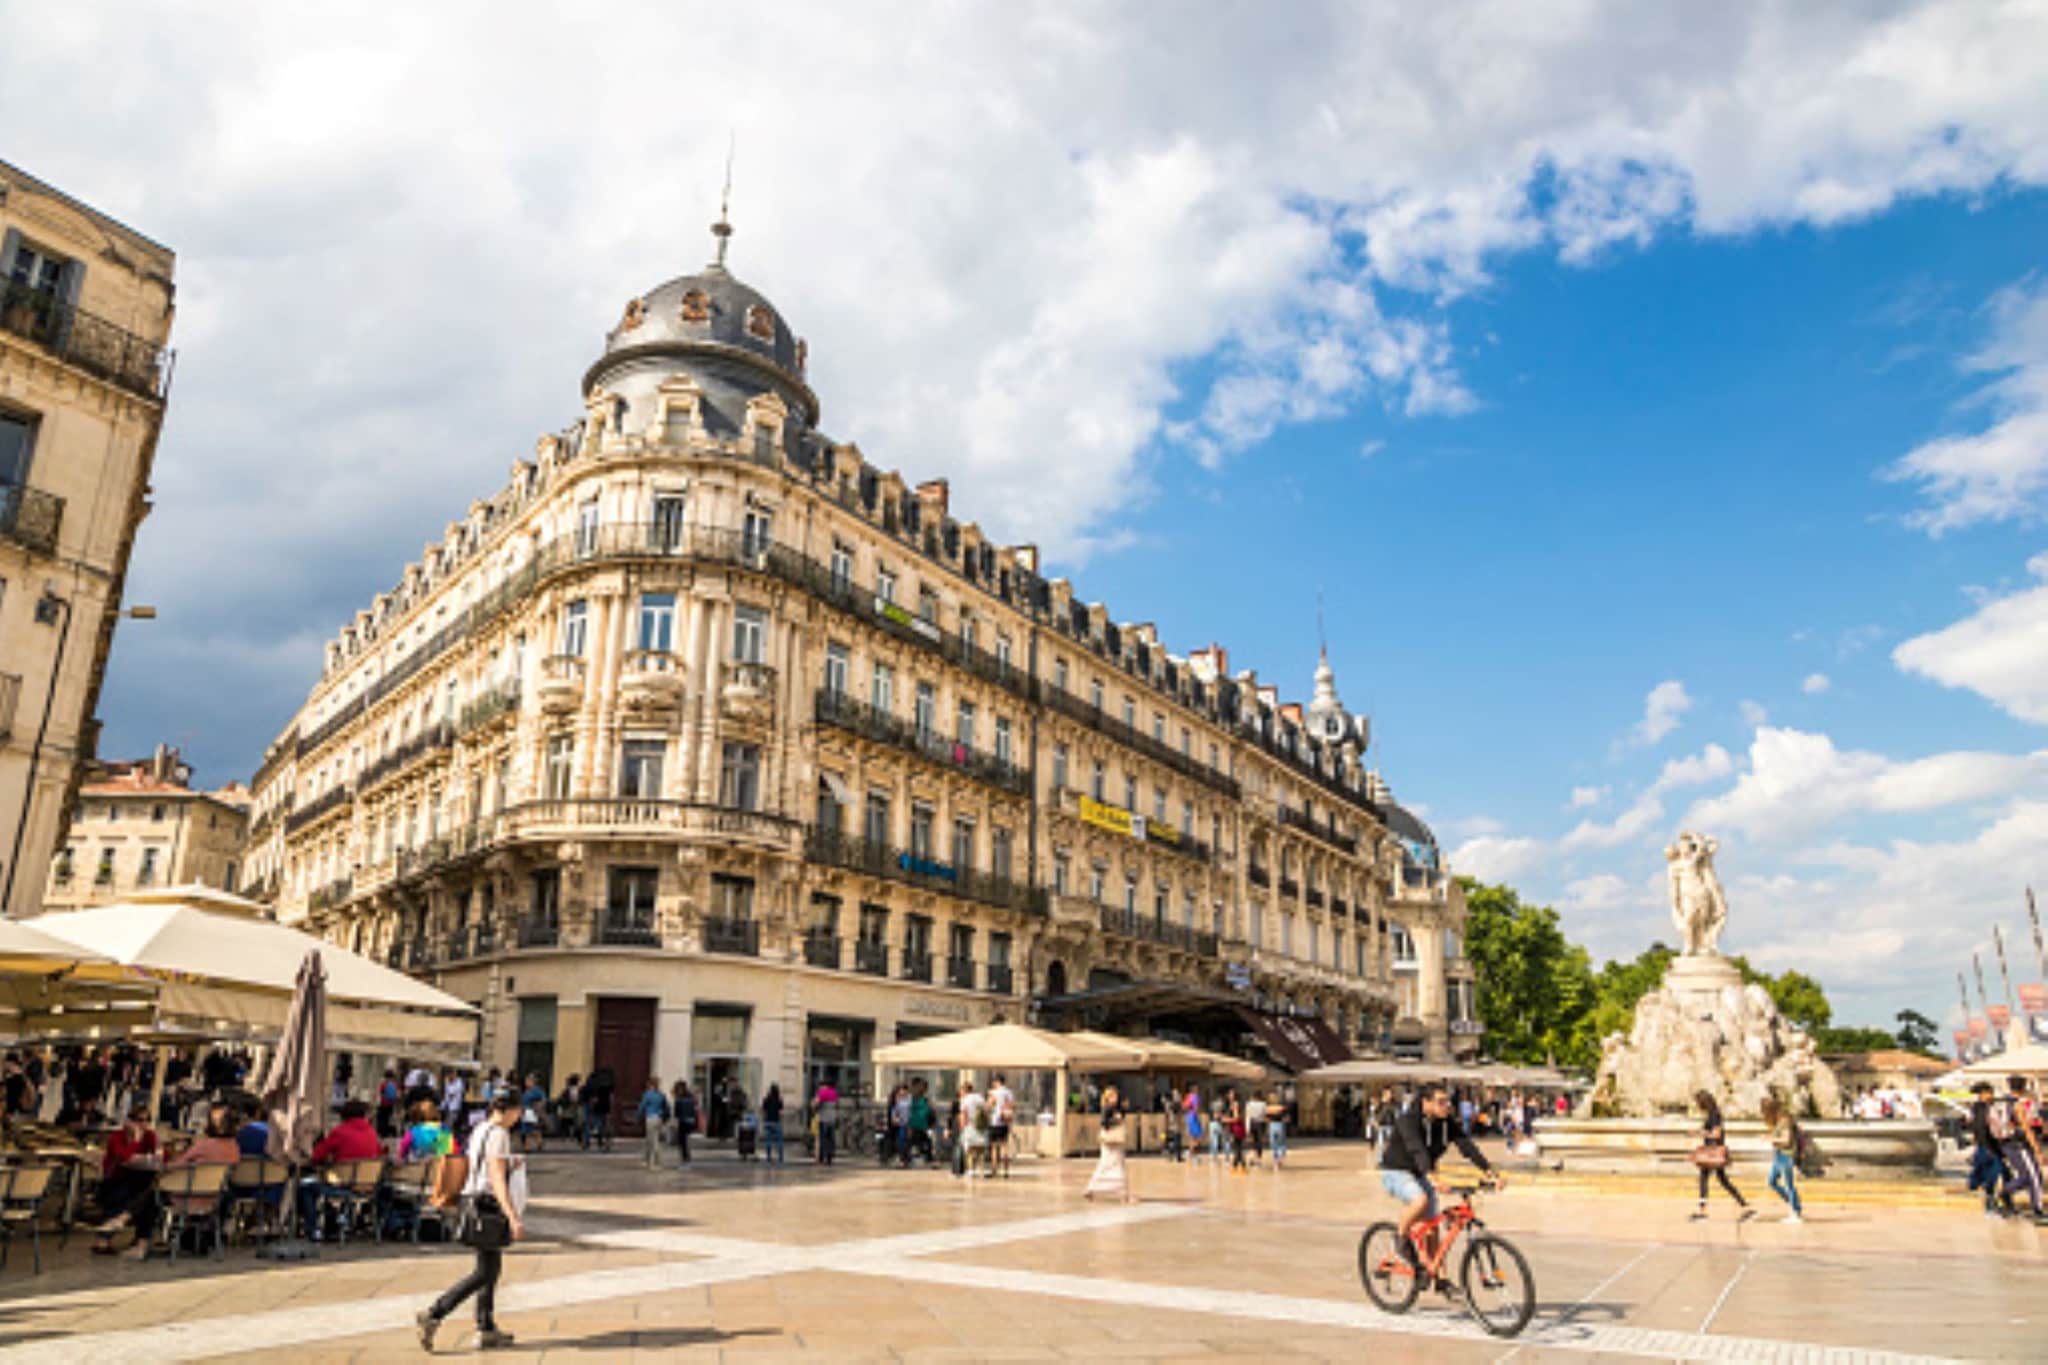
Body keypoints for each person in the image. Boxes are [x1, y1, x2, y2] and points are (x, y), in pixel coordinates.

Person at [418, 1091, 526, 1352]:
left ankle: (486, 1327)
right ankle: (435, 1313)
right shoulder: (499, 1135)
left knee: (490, 1266)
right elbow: (497, 1179)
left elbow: (479, 1165)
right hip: (487, 1206)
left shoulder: (481, 1129)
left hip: (472, 1200)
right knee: (485, 1272)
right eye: (518, 1111)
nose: (519, 1117)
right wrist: (512, 1216)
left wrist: (509, 1163)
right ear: (511, 1110)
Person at [1379, 1081, 1502, 1292]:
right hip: (1396, 1171)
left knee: (1432, 1225)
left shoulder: (1446, 1123)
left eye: (1448, 1101)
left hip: (1420, 1172)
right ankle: (1400, 1240)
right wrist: (1433, 1177)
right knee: (1421, 1201)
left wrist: (1489, 1171)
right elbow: (1417, 1149)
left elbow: (1466, 1145)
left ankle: (1441, 1279)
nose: (1447, 1106)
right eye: (1441, 1102)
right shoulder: (1409, 1120)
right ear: (1426, 1102)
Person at [299, 1099, 386, 1240]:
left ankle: (312, 1228)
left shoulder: (339, 1132)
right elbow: (379, 1153)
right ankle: (340, 1222)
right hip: (367, 1185)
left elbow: (317, 1156)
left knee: (306, 1187)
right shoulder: (372, 1133)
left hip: (343, 1184)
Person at [91, 1105, 162, 1255]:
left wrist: (156, 1150)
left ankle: (138, 1238)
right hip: (115, 1178)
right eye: (139, 1120)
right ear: (129, 1121)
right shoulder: (117, 1137)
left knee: (150, 1194)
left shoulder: (150, 1136)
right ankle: (112, 1237)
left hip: (140, 1178)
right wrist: (135, 1141)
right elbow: (122, 1158)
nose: (143, 1124)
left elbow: (160, 1156)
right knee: (137, 1193)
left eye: (146, 1120)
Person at [1691, 1090, 1753, 1223]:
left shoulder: (1714, 1116)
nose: (1697, 1106)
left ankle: (1703, 1213)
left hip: (1713, 1153)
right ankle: (1745, 1207)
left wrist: (1701, 1133)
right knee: (1719, 1181)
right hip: (1712, 1152)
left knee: (1709, 1180)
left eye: (1698, 1103)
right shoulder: (1713, 1115)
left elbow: (1717, 1134)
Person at [1996, 1075, 2047, 1221]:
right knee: (2034, 1177)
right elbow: (2026, 1128)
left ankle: (2007, 1195)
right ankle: (2037, 1210)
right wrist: (2038, 1150)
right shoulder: (2018, 1105)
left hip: (2007, 1144)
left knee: (2030, 1176)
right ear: (2023, 1088)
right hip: (2019, 1145)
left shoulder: (2004, 1102)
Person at [1967, 1081, 2014, 1215]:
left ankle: (2001, 1203)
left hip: (1988, 1146)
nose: (1992, 1095)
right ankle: (1996, 1204)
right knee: (1994, 1175)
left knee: (2000, 1174)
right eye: (1990, 1093)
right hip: (1988, 1147)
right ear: (1983, 1094)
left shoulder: (1981, 1107)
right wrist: (1989, 1147)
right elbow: (1981, 1128)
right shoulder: (1982, 1108)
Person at [1084, 1083, 1134, 1204]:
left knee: (1114, 1165)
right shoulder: (1107, 1108)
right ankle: (1120, 1193)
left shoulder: (1116, 1108)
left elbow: (1123, 1112)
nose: (1115, 1098)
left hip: (1115, 1142)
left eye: (1116, 1095)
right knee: (1107, 1165)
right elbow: (1104, 1123)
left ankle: (1094, 1189)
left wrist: (1123, 1109)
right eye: (1112, 1096)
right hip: (1110, 1141)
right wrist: (1116, 1120)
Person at [1761, 1095, 1803, 1224]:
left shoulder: (1785, 1121)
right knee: (1772, 1181)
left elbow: (1786, 1140)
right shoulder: (1779, 1121)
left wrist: (1770, 1139)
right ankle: (1794, 1203)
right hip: (1779, 1155)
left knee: (1788, 1185)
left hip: (1786, 1155)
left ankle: (1795, 1211)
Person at [400, 1098, 453, 1162]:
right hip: (437, 1160)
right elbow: (446, 1149)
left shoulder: (413, 1130)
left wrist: (402, 1156)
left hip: (417, 1159)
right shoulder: (444, 1129)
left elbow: (404, 1144)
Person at [957, 1080, 989, 1179]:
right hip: (981, 1127)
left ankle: (970, 1171)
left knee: (970, 1151)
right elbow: (986, 1110)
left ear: (965, 1090)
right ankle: (981, 1171)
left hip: (970, 1126)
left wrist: (962, 1127)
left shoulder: (965, 1100)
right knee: (981, 1151)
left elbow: (963, 1114)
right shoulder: (980, 1098)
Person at [637, 1077, 671, 1169]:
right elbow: (667, 1108)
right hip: (659, 1118)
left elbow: (642, 1106)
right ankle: (646, 1160)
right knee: (649, 1140)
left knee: (654, 1141)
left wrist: (638, 1116)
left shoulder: (648, 1095)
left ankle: (657, 1162)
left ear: (650, 1084)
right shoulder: (661, 1095)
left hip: (650, 1118)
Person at [987, 1073, 1016, 1178]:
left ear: (997, 1082)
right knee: (1005, 1147)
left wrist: (988, 1106)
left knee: (994, 1147)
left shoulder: (993, 1092)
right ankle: (1006, 1171)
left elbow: (989, 1106)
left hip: (995, 1122)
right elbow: (1013, 1106)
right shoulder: (1009, 1092)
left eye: (994, 1081)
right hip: (1004, 1122)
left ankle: (994, 1170)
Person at [814, 1080, 840, 1165]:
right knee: (830, 1138)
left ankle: (822, 1157)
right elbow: (837, 1104)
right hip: (832, 1119)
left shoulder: (822, 1092)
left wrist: (814, 1107)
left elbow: (816, 1103)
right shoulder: (834, 1092)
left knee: (823, 1138)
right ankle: (830, 1157)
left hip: (823, 1119)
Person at [673, 1082, 699, 1165]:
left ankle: (684, 1156)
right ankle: (687, 1155)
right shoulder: (691, 1098)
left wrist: (676, 1121)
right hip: (690, 1120)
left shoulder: (679, 1099)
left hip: (683, 1120)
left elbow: (676, 1113)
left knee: (682, 1140)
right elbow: (695, 1110)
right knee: (687, 1139)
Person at [760, 1083, 786, 1164]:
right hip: (776, 1121)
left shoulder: (766, 1099)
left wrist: (764, 1118)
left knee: (768, 1140)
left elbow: (763, 1110)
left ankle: (768, 1156)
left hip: (768, 1121)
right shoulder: (779, 1100)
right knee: (779, 1141)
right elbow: (781, 1112)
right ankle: (780, 1157)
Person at [1266, 1089, 1290, 1169]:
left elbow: (1266, 1119)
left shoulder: (1267, 1108)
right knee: (1281, 1142)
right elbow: (1287, 1118)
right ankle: (1280, 1158)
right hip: (1280, 1125)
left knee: (1273, 1143)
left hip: (1272, 1125)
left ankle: (1275, 1160)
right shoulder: (1282, 1108)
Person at [1245, 1090, 1268, 1168]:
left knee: (1253, 1142)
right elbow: (1265, 1114)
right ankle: (1258, 1160)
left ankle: (1253, 1158)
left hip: (1252, 1123)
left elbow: (1248, 1115)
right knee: (1259, 1142)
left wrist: (1247, 1127)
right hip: (1260, 1123)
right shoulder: (1263, 1104)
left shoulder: (1249, 1104)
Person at [376, 1069, 401, 1138]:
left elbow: (380, 1094)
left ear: (385, 1076)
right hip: (391, 1105)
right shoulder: (395, 1085)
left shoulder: (383, 1084)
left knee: (382, 1119)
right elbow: (398, 1095)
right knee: (390, 1119)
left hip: (383, 1104)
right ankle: (390, 1132)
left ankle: (382, 1133)